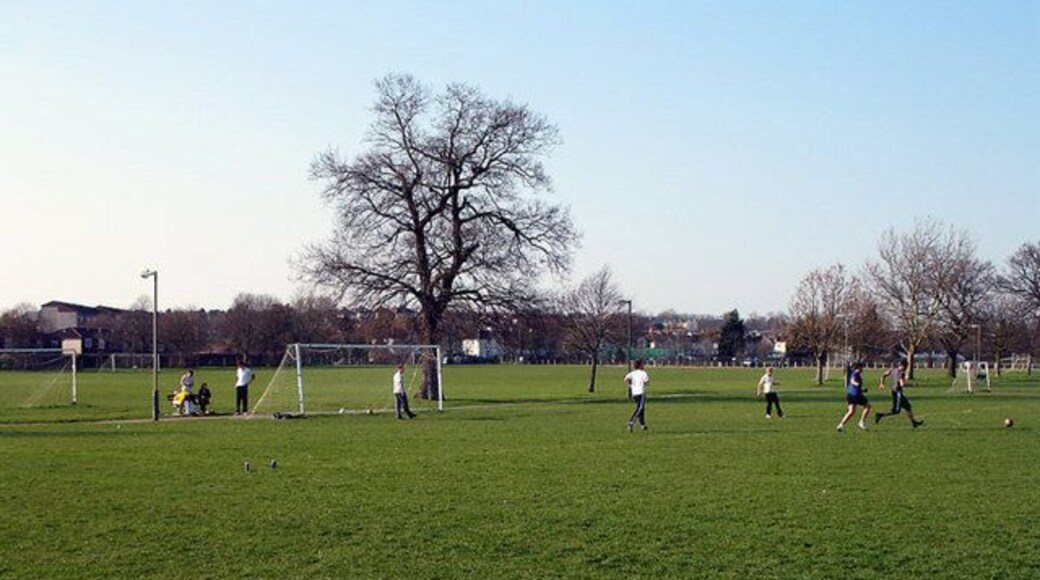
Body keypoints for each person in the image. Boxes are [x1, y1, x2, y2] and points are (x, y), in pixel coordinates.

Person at [875, 359, 924, 428]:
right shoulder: (901, 373)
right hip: (897, 393)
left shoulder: (893, 370)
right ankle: (880, 415)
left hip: (894, 391)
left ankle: (914, 423)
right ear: (904, 366)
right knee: (896, 411)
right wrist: (913, 385)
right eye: (906, 366)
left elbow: (883, 375)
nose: (907, 368)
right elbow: (902, 384)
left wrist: (882, 383)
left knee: (908, 406)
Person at [837, 361, 871, 432]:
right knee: (868, 406)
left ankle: (841, 425)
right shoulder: (856, 373)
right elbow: (852, 381)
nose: (863, 369)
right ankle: (861, 422)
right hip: (856, 395)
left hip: (850, 394)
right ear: (858, 367)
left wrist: (862, 390)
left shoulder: (852, 372)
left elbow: (853, 384)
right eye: (862, 367)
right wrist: (855, 383)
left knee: (851, 411)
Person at [624, 359, 650, 432]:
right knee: (640, 408)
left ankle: (643, 425)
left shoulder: (632, 373)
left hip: (634, 393)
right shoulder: (643, 373)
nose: (643, 365)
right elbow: (647, 382)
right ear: (640, 365)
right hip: (641, 392)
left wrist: (631, 385)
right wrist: (644, 384)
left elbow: (625, 379)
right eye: (642, 364)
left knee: (641, 408)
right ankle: (631, 421)